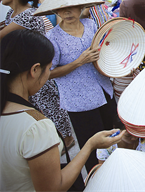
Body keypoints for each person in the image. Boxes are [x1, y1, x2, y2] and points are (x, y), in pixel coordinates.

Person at [0, 30, 124, 192]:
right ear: (35, 70)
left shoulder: (8, 110)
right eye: (49, 68)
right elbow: (53, 187)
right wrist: (90, 146)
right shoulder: (36, 127)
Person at [37, 0, 120, 172]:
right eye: (61, 8)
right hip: (79, 102)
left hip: (103, 92)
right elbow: (47, 73)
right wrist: (78, 62)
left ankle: (116, 173)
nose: (67, 12)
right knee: (92, 149)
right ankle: (96, 179)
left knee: (112, 138)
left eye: (72, 7)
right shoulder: (52, 37)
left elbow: (105, 50)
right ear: (55, 11)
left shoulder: (91, 25)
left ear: (80, 7)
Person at [1, 0, 74, 146]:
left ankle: (67, 138)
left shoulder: (27, 15)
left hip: (38, 66)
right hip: (24, 67)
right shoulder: (10, 15)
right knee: (38, 104)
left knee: (49, 103)